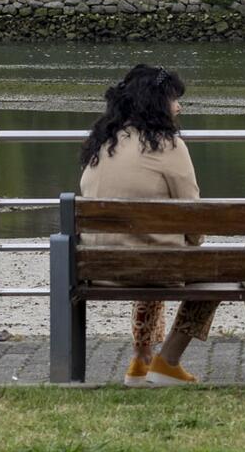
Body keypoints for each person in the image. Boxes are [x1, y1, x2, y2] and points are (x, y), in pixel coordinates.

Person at [76, 64, 217, 385]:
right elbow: (194, 216)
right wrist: (194, 243)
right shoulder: (169, 146)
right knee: (214, 273)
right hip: (151, 266)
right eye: (174, 99)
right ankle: (168, 361)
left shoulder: (102, 142)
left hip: (95, 267)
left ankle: (141, 360)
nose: (178, 107)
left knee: (152, 251)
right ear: (157, 103)